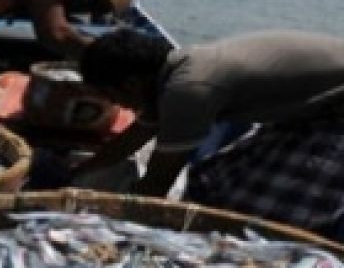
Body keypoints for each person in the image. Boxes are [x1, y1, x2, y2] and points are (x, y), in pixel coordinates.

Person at [76, 28, 344, 238]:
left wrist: (118, 221)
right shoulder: (174, 71)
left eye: (114, 96)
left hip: (334, 117)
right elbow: (132, 139)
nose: (121, 107)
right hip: (308, 111)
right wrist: (77, 174)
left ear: (132, 83)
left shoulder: (188, 89)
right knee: (210, 182)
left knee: (258, 220)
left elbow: (158, 181)